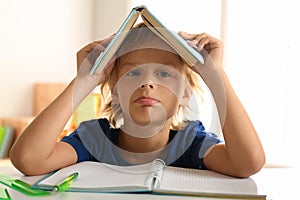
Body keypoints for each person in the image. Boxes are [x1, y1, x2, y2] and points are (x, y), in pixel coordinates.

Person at [9, 23, 265, 178]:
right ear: (116, 91)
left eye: (164, 73)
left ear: (185, 94)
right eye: (133, 73)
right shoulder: (94, 139)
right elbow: (29, 159)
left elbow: (249, 162)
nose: (148, 84)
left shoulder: (191, 142)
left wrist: (215, 76)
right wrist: (83, 82)